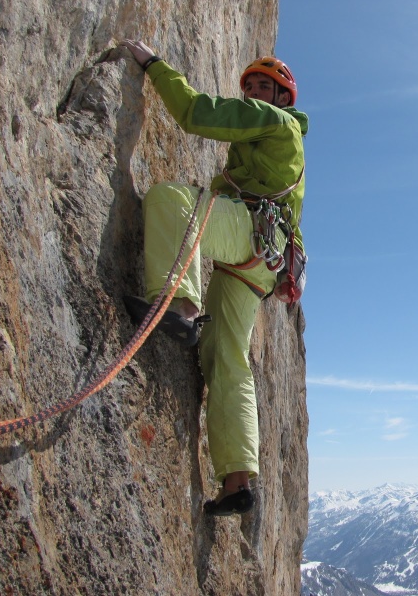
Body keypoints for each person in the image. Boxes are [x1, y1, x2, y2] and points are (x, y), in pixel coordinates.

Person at [119, 39, 308, 516]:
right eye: (250, 86)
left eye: (265, 87)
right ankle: (238, 481)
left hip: (250, 233)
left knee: (172, 201)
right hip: (263, 260)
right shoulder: (283, 143)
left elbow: (195, 113)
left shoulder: (275, 121)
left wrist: (154, 64)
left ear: (284, 98)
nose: (254, 93)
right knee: (227, 355)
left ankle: (179, 307)